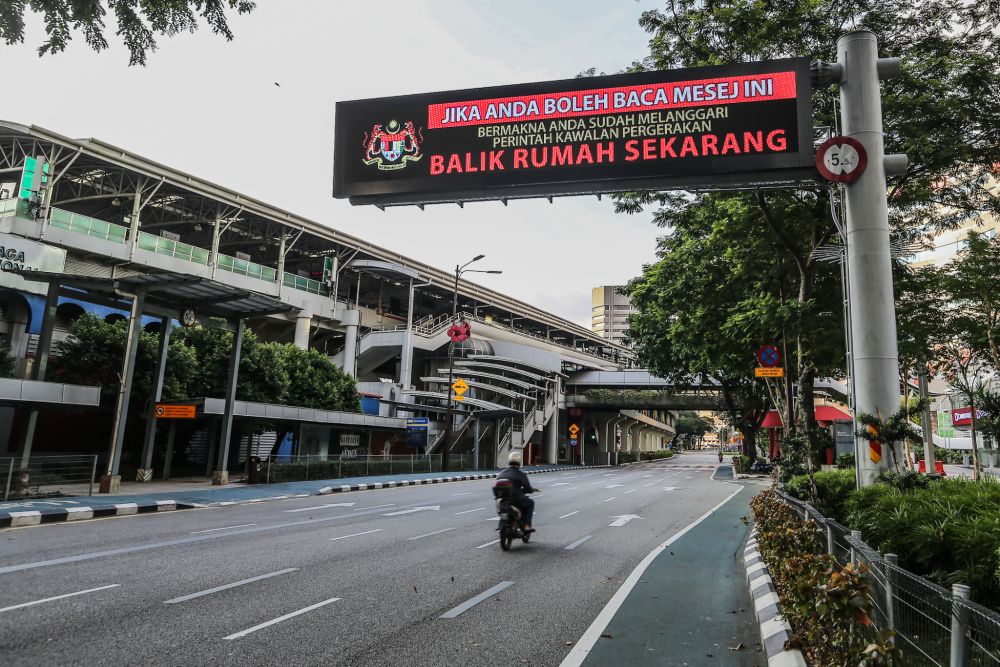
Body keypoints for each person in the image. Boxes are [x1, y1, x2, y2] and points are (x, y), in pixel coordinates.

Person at [497, 451, 538, 533]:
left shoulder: (501, 473)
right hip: (516, 500)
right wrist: (530, 490)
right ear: (519, 462)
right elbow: (528, 488)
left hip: (502, 500)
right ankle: (526, 526)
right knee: (530, 503)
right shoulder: (520, 474)